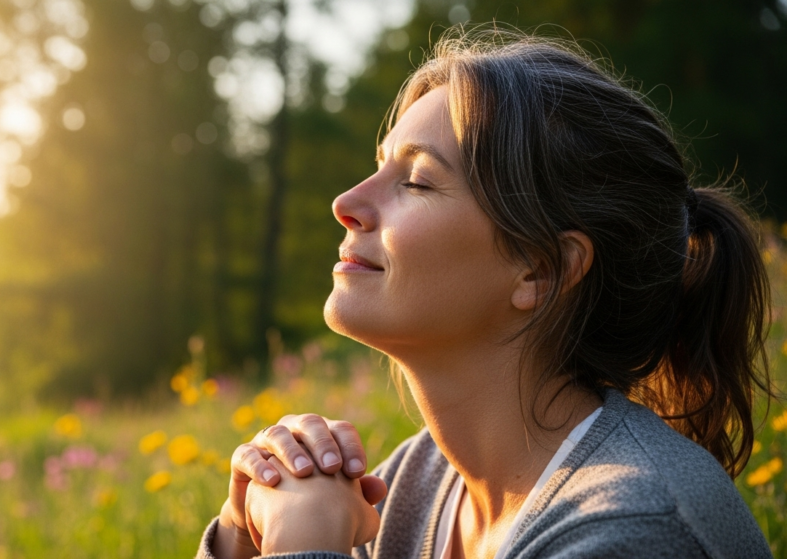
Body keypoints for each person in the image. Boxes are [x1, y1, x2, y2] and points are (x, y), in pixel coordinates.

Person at [198, 28, 774, 559]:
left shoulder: (637, 531)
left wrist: (304, 543)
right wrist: (239, 535)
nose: (345, 202)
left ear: (539, 271)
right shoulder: (416, 485)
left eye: (417, 180)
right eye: (377, 166)